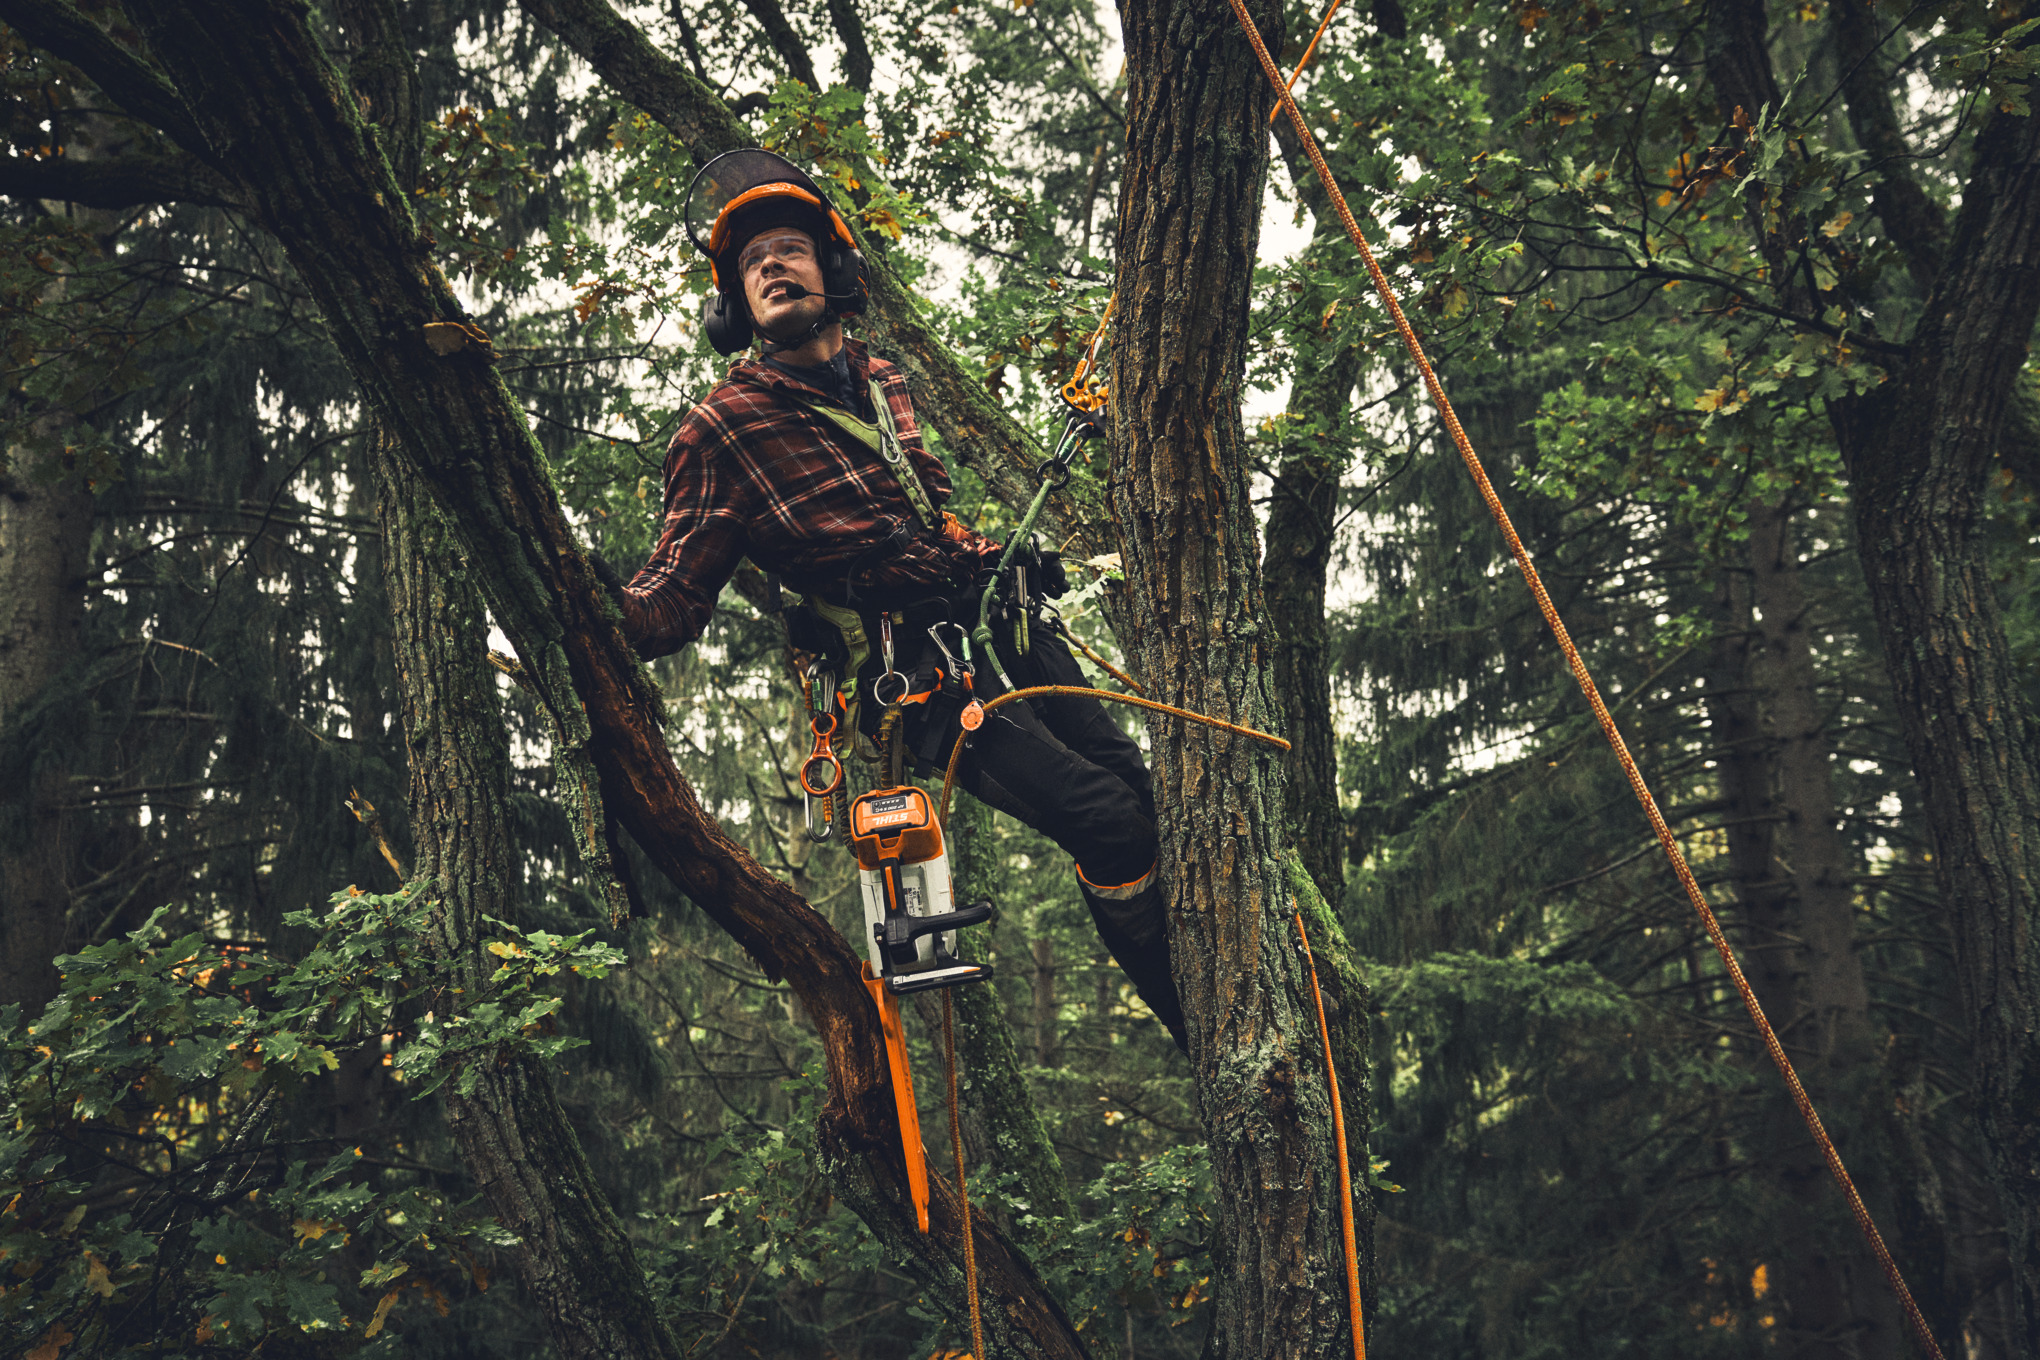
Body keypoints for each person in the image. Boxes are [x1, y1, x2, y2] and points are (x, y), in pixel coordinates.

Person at [616, 149, 1186, 1053]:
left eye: (789, 247)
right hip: (913, 674)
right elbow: (667, 604)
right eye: (751, 262)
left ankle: (1216, 963)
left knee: (1143, 794)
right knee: (1106, 819)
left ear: (834, 269)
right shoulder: (722, 430)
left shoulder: (883, 382)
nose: (770, 265)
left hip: (1005, 628)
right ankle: (1199, 1022)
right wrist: (576, 594)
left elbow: (926, 517)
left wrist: (996, 553)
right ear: (734, 304)